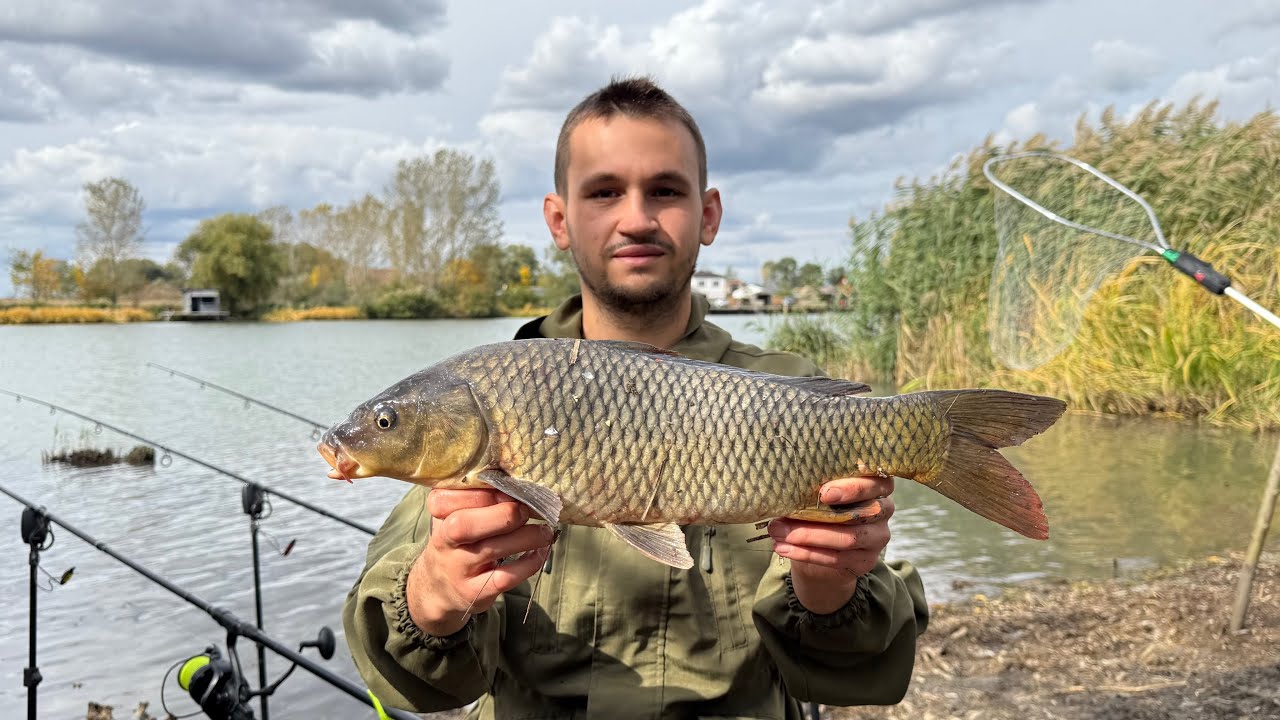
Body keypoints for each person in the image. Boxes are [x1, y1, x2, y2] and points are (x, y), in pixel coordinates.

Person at [343, 76, 929, 719]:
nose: (636, 218)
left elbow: (864, 671)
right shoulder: (498, 390)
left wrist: (830, 585)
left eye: (665, 191)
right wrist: (432, 596)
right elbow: (409, 680)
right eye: (604, 192)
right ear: (559, 220)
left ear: (708, 215)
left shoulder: (792, 390)